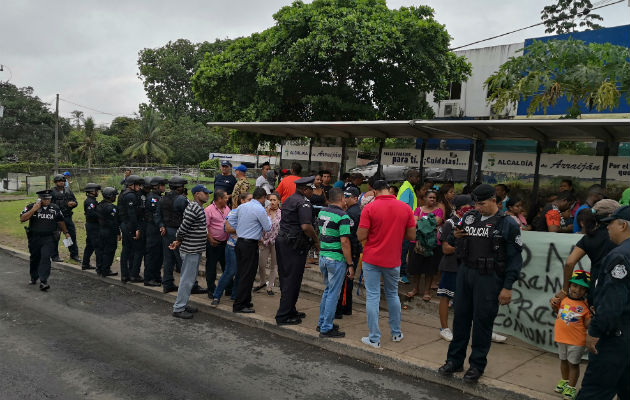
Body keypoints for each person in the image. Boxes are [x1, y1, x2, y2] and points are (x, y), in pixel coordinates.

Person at [438, 184, 523, 383]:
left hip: (489, 277)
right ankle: (454, 360)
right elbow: (451, 238)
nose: (478, 207)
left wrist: (508, 286)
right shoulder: (470, 217)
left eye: (482, 204)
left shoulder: (507, 223)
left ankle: (476, 365)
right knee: (460, 319)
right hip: (466, 272)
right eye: (475, 203)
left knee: (482, 323)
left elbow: (515, 258)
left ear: (494, 200)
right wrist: (455, 236)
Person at [576, 205, 630, 400]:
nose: (607, 228)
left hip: (615, 336)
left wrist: (595, 332)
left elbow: (612, 303)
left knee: (594, 392)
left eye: (611, 224)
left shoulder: (619, 256)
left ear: (623, 225)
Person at [357, 180, 416, 348]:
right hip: (393, 259)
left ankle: (374, 338)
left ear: (374, 192)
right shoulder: (405, 208)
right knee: (392, 294)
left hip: (371, 259)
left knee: (373, 296)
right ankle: (396, 333)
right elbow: (412, 236)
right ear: (389, 190)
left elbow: (361, 235)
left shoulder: (369, 208)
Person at [550, 200, 619, 309]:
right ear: (612, 216)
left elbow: (569, 263)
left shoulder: (588, 238)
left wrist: (565, 289)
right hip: (618, 289)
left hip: (595, 288)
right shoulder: (620, 236)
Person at [275, 176, 320, 326]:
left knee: (286, 277)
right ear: (305, 189)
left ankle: (290, 309)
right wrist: (316, 240)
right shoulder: (304, 202)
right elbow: (306, 226)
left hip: (284, 241)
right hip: (293, 244)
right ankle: (283, 315)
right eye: (311, 190)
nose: (312, 192)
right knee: (292, 279)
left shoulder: (289, 199)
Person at [316, 188, 355, 338]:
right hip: (336, 259)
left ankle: (322, 322)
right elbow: (345, 241)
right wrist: (350, 263)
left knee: (327, 290)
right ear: (342, 199)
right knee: (333, 293)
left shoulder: (322, 212)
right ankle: (326, 327)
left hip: (324, 256)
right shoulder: (343, 216)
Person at [169, 184, 212, 319]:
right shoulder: (194, 208)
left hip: (194, 249)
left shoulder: (197, 207)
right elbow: (183, 228)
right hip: (191, 250)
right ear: (197, 194)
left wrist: (179, 241)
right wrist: (178, 239)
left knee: (188, 279)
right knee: (187, 280)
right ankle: (178, 308)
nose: (207, 195)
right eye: (205, 193)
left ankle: (182, 304)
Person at [227, 187, 272, 313]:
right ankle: (239, 304)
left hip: (240, 242)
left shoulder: (242, 206)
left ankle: (245, 300)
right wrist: (267, 216)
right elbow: (268, 227)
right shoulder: (260, 209)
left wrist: (240, 228)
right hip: (250, 245)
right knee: (247, 275)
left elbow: (230, 219)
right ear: (263, 198)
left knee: (244, 273)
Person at [437, 195, 475, 342]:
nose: (472, 210)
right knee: (446, 296)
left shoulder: (475, 223)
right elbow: (446, 249)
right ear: (459, 208)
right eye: (468, 207)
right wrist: (461, 246)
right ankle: (444, 328)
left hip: (468, 266)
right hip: (451, 266)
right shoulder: (450, 223)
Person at [20, 189, 70, 291]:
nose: (47, 200)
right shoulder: (31, 207)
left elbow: (60, 221)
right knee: (35, 258)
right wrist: (34, 209)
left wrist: (66, 233)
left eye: (49, 198)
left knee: (45, 258)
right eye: (44, 199)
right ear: (39, 198)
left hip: (49, 238)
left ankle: (43, 281)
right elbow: (22, 219)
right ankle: (34, 277)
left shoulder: (55, 208)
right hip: (34, 238)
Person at [552, 270, 591, 400]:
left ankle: (572, 387)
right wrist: (553, 303)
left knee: (573, 364)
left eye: (582, 288)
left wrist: (592, 314)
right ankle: (565, 380)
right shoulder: (564, 299)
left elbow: (587, 325)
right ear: (569, 286)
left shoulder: (585, 305)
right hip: (561, 337)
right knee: (563, 361)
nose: (577, 290)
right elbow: (557, 311)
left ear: (586, 291)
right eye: (574, 286)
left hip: (576, 341)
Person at [211, 192, 251, 306]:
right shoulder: (234, 212)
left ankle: (235, 295)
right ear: (242, 201)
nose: (252, 202)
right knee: (230, 271)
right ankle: (216, 295)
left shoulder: (252, 213)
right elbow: (227, 228)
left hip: (244, 247)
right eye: (249, 199)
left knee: (240, 272)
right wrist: (245, 229)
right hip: (232, 246)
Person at [406, 190, 444, 302]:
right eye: (430, 197)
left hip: (432, 244)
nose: (432, 199)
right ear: (424, 199)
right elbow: (414, 222)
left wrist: (422, 222)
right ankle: (415, 288)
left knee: (430, 269)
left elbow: (436, 222)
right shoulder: (418, 209)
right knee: (416, 268)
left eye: (434, 198)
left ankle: (427, 291)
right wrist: (428, 223)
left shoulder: (439, 211)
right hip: (417, 243)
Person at [157, 176, 191, 293]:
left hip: (166, 231)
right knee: (182, 259)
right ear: (178, 187)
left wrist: (161, 225)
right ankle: (187, 286)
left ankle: (167, 284)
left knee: (168, 259)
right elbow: (189, 215)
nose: (184, 188)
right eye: (182, 186)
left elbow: (158, 214)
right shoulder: (182, 199)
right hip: (178, 232)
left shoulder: (163, 198)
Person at [336, 186, 361, 318]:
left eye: (348, 197)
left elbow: (349, 236)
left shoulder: (352, 213)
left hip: (351, 250)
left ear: (355, 198)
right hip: (352, 250)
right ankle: (346, 308)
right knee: (346, 281)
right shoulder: (352, 210)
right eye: (344, 196)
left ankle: (342, 308)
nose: (345, 199)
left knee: (345, 282)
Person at [117, 174, 144, 283]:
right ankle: (133, 274)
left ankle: (125, 275)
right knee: (135, 250)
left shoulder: (124, 193)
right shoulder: (130, 196)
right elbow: (132, 214)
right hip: (130, 225)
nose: (139, 186)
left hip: (125, 224)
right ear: (131, 185)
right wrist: (136, 229)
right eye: (137, 184)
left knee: (126, 250)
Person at [204, 189, 230, 295]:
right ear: (219, 199)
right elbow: (205, 226)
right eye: (225, 197)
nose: (227, 199)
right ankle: (211, 289)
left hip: (225, 243)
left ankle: (229, 289)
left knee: (227, 267)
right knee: (211, 267)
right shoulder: (209, 210)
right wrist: (210, 239)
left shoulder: (227, 208)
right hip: (213, 243)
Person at [396, 169, 420, 285]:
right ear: (411, 177)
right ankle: (400, 274)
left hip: (406, 223)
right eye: (417, 177)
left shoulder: (408, 187)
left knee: (404, 249)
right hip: (405, 224)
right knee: (403, 249)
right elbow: (404, 206)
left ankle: (402, 271)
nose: (418, 179)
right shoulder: (406, 188)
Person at [255, 192, 281, 296]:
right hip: (264, 241)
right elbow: (259, 225)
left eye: (274, 200)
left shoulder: (281, 213)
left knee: (274, 266)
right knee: (261, 264)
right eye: (270, 200)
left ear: (279, 201)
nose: (272, 202)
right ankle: (262, 282)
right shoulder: (264, 212)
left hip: (276, 242)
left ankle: (270, 286)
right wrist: (260, 238)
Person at [50, 173, 80, 262]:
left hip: (67, 217)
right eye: (59, 181)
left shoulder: (68, 191)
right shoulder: (52, 192)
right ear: (55, 182)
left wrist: (73, 204)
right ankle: (55, 256)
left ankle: (74, 255)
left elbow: (75, 202)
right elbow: (49, 204)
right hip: (56, 219)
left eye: (63, 181)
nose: (61, 182)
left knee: (72, 236)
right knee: (56, 236)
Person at [143, 176, 167, 287]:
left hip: (157, 229)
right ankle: (149, 278)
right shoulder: (152, 198)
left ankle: (156, 277)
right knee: (152, 255)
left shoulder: (158, 197)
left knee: (158, 255)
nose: (164, 187)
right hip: (152, 229)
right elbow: (153, 215)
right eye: (162, 185)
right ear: (157, 186)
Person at [95, 187, 120, 278]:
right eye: (114, 195)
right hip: (109, 232)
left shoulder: (99, 205)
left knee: (101, 250)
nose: (115, 197)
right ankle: (106, 270)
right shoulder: (112, 208)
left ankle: (99, 268)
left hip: (100, 230)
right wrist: (118, 233)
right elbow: (114, 222)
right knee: (109, 251)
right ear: (110, 196)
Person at [81, 183, 100, 271]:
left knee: (90, 246)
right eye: (96, 190)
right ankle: (99, 266)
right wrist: (101, 215)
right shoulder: (90, 201)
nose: (98, 192)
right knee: (96, 245)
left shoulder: (92, 200)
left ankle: (85, 263)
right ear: (92, 191)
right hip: (93, 225)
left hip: (92, 225)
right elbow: (91, 214)